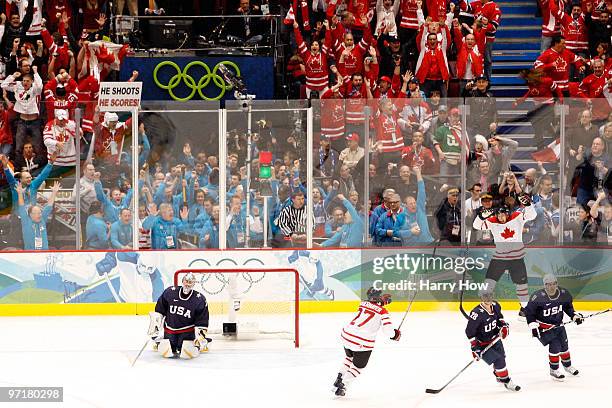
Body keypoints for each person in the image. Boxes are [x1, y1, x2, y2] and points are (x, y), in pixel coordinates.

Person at [472, 193, 537, 318]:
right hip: (499, 258)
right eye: (499, 214)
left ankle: (525, 309)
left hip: (516, 259)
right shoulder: (492, 221)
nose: (501, 217)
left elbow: (532, 215)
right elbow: (476, 226)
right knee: (488, 283)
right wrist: (480, 216)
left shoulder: (516, 217)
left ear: (508, 213)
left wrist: (528, 205)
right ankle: (485, 308)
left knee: (522, 286)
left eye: (504, 214)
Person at [333, 287, 401, 396]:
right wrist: (395, 334)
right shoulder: (383, 312)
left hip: (346, 335)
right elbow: (388, 331)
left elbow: (373, 306)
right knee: (358, 366)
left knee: (349, 357)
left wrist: (380, 302)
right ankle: (343, 385)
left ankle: (339, 377)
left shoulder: (362, 304)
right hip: (362, 341)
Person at [525, 274, 583, 380]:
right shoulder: (538, 297)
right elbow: (529, 313)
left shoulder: (564, 294)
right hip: (543, 327)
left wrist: (574, 316)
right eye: (548, 284)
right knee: (555, 345)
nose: (552, 286)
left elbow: (568, 307)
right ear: (545, 285)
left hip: (558, 325)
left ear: (557, 283)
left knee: (564, 346)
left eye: (554, 284)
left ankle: (567, 366)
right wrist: (533, 326)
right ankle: (554, 370)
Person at [465, 290, 520, 391]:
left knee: (502, 357)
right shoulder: (476, 313)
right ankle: (507, 381)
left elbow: (499, 318)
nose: (488, 298)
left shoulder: (496, 305)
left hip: (495, 339)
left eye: (490, 295)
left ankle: (499, 375)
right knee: (499, 360)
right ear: (481, 298)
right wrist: (475, 348)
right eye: (485, 296)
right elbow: (469, 332)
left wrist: (504, 326)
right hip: (483, 344)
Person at [148, 272, 210, 359]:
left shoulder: (199, 299)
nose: (187, 284)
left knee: (187, 352)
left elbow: (202, 319)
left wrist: (200, 335)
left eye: (190, 282)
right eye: (186, 281)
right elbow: (160, 309)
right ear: (182, 281)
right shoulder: (170, 292)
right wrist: (155, 324)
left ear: (194, 284)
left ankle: (202, 345)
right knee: (166, 350)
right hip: (170, 330)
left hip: (187, 332)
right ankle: (160, 342)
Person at [16, 180, 61, 250]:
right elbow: (21, 206)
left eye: (40, 213)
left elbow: (49, 205)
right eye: (36, 213)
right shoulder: (26, 221)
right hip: (30, 255)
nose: (39, 215)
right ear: (30, 214)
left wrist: (54, 192)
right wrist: (20, 194)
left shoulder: (42, 219)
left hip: (44, 254)